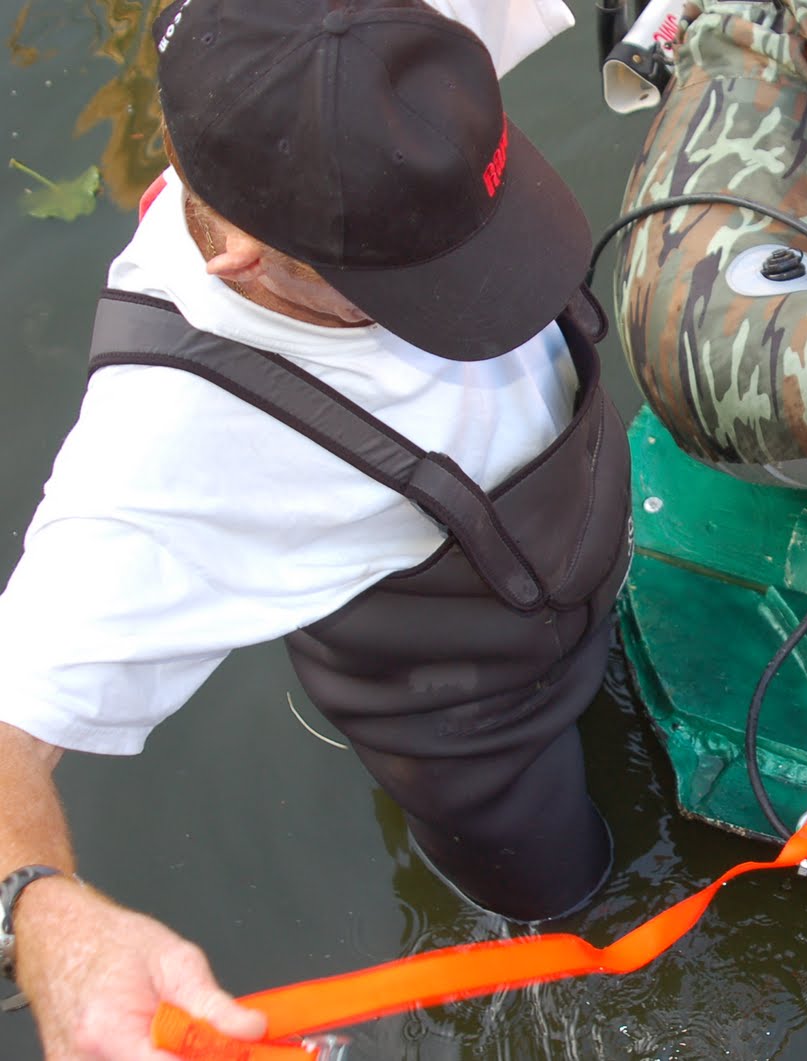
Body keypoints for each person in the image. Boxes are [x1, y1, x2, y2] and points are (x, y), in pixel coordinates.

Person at [0, 0, 633, 1055]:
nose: (485, 289)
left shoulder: (359, 35)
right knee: (571, 905)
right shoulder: (172, 446)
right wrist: (41, 913)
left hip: (570, 557)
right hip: (469, 723)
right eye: (412, 282)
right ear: (245, 256)